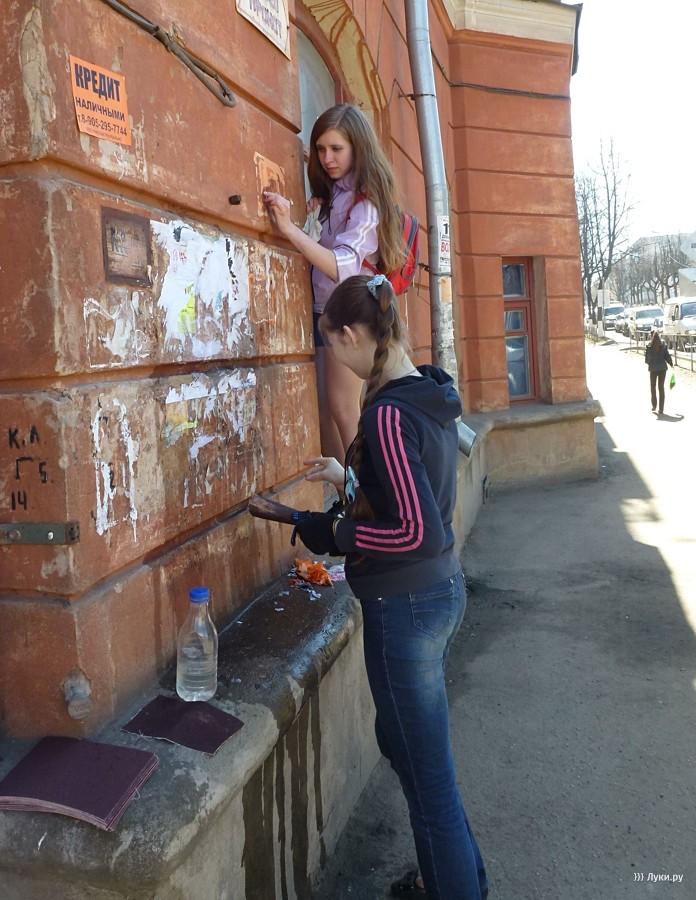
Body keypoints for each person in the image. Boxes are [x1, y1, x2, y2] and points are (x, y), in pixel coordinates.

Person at [292, 273, 488, 900]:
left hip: (406, 606)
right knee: (411, 752)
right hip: (436, 595)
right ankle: (459, 877)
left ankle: (452, 885)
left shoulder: (387, 415)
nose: (333, 356)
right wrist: (347, 483)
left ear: (351, 334)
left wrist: (337, 533)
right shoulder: (425, 389)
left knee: (430, 787)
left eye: (330, 343)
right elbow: (412, 494)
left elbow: (414, 531)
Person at [263, 103, 405, 462]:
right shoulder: (339, 192)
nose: (327, 158)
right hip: (327, 310)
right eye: (321, 149)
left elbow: (343, 267)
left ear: (359, 147)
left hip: (350, 315)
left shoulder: (367, 203)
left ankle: (364, 489)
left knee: (343, 408)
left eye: (337, 149)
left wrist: (289, 229)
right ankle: (345, 488)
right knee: (328, 409)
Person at [644, 329, 673, 414]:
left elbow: (647, 359)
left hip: (653, 369)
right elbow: (667, 355)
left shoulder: (649, 345)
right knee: (661, 388)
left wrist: (650, 363)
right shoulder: (663, 344)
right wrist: (671, 363)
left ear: (651, 336)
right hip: (663, 369)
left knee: (653, 387)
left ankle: (654, 405)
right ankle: (661, 409)